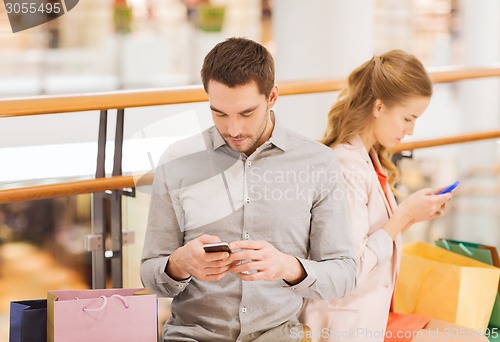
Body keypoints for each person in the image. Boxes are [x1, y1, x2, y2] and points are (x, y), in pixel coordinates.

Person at [140, 37, 357, 342]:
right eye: (219, 113)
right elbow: (150, 273)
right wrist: (178, 265)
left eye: (246, 113)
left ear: (272, 97)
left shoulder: (318, 163)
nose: (233, 129)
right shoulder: (178, 162)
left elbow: (345, 275)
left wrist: (288, 267)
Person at [300, 50, 488, 342]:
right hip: (348, 322)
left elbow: (374, 236)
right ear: (378, 107)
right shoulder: (346, 167)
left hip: (375, 311)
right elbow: (349, 270)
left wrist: (411, 216)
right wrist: (403, 215)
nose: (410, 131)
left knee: (476, 336)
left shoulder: (370, 157)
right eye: (407, 118)